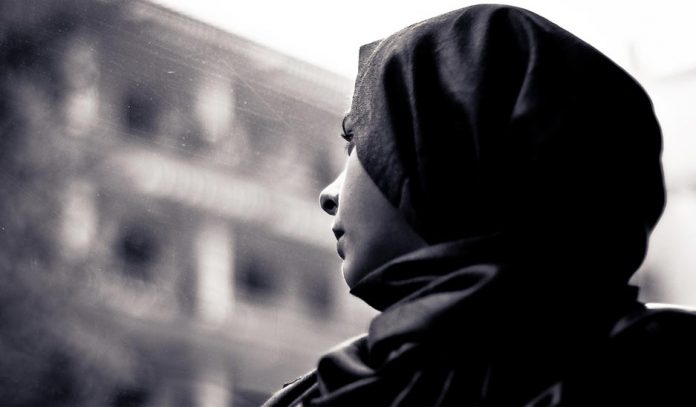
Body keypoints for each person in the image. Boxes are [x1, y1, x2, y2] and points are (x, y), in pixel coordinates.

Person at [264, 4, 696, 406]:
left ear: (448, 148)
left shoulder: (652, 370)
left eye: (355, 142)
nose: (328, 195)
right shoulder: (325, 389)